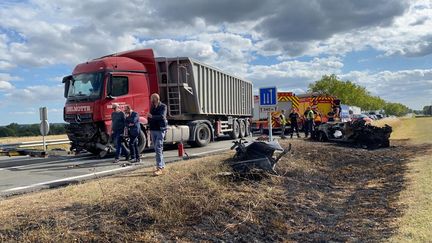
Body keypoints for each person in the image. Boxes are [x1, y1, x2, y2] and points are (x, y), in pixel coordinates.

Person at [147, 93, 168, 176]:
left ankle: (159, 168)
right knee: (157, 148)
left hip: (160, 129)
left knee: (158, 147)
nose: (151, 99)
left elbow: (162, 116)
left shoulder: (163, 106)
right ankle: (162, 166)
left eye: (152, 98)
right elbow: (151, 117)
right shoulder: (152, 107)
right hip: (153, 129)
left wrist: (152, 116)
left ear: (156, 98)